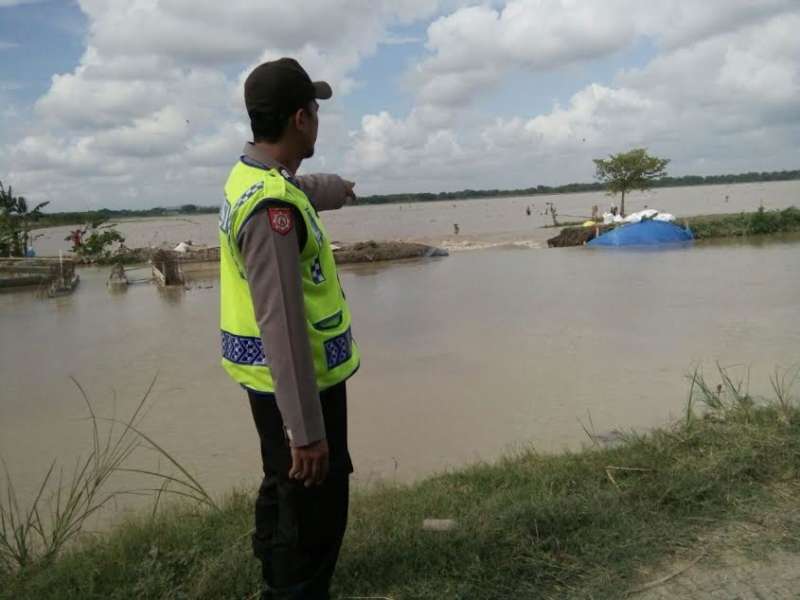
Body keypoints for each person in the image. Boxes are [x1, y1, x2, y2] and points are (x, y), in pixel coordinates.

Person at [218, 57, 360, 599]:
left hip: (268, 383)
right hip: (301, 388)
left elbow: (304, 188)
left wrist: (341, 187)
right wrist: (307, 431)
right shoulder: (272, 210)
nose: (320, 119)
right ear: (301, 119)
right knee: (315, 511)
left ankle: (276, 578)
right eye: (316, 109)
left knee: (284, 487)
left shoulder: (251, 176)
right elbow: (281, 323)